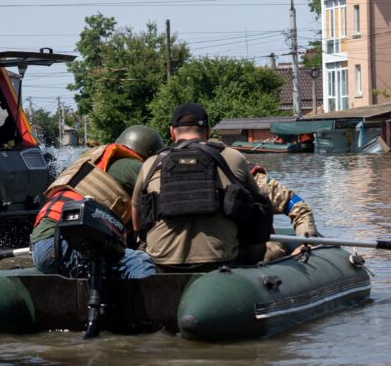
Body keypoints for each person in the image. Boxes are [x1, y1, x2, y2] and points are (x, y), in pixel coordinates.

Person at [132, 102, 271, 272]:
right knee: (259, 245)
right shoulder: (234, 157)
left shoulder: (150, 164)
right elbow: (259, 206)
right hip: (221, 260)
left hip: (162, 261)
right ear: (208, 131)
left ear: (172, 132)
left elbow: (137, 223)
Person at [30, 125, 165, 280]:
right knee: (139, 262)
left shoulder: (96, 160)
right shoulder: (134, 167)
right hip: (63, 243)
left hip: (43, 244)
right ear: (149, 155)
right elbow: (169, 188)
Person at [243, 163, 320, 264]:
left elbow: (299, 208)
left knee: (272, 250)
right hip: (223, 249)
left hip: (257, 246)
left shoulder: (255, 180)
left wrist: (306, 242)